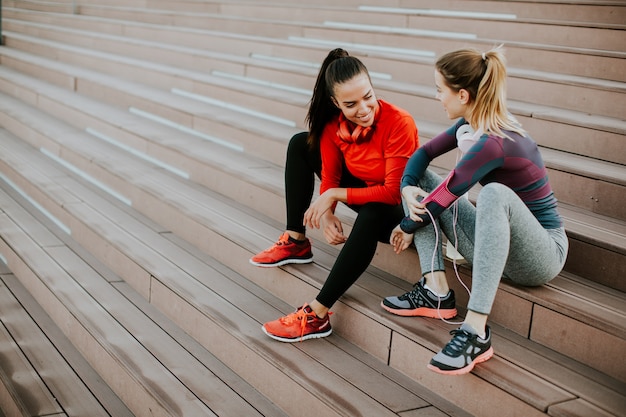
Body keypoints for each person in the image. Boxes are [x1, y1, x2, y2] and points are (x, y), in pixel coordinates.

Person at [381, 46, 569, 375]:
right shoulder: (470, 125)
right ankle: (435, 289)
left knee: (494, 193)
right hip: (499, 248)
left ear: (463, 95)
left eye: (441, 90)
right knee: (422, 183)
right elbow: (422, 154)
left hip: (541, 255)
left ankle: (476, 330)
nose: (438, 96)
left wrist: (405, 226)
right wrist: (409, 186)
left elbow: (447, 195)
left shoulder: (496, 141)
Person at [250, 48, 419, 342]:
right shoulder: (333, 126)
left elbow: (393, 193)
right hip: (368, 194)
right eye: (351, 104)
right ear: (335, 102)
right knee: (301, 143)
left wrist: (332, 198)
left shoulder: (398, 122)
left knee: (373, 210)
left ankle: (317, 314)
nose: (364, 109)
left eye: (368, 96)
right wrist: (326, 214)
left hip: (403, 213)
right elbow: (329, 178)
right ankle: (296, 240)